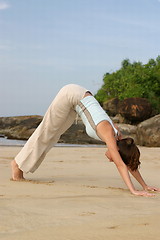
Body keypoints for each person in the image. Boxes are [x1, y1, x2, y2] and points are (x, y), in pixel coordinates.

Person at [11, 84, 160, 197]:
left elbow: (127, 162)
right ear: (118, 151)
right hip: (71, 95)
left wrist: (144, 186)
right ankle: (17, 165)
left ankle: (21, 164)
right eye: (114, 158)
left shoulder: (119, 137)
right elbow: (121, 165)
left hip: (78, 99)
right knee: (47, 130)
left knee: (54, 135)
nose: (111, 160)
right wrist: (133, 191)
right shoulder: (109, 134)